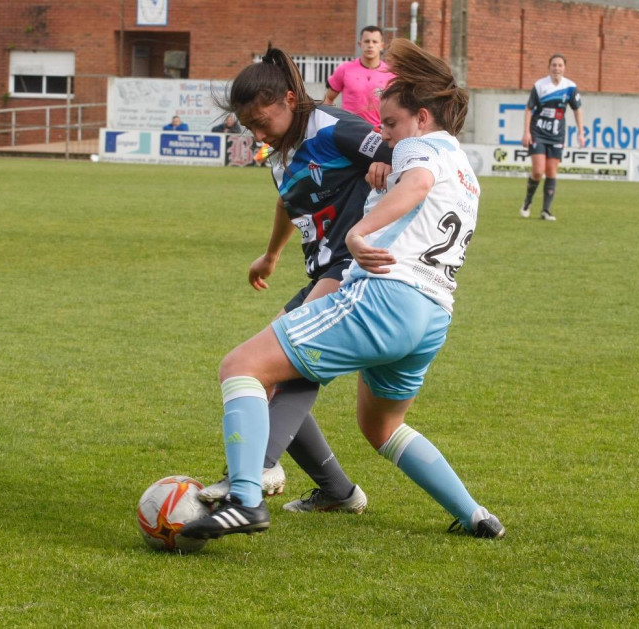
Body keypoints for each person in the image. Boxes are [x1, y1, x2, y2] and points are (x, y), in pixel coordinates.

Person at [181, 38, 505, 542]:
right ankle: (474, 514)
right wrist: (272, 253)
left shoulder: (406, 143)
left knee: (245, 367)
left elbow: (414, 179)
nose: (385, 134)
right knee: (380, 427)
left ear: (421, 117)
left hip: (377, 290)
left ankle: (249, 492)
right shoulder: (461, 166)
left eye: (392, 124)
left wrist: (359, 230)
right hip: (433, 312)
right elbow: (309, 198)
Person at [197, 47, 394, 514]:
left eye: (262, 121)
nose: (258, 133)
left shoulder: (334, 126)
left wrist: (386, 162)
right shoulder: (279, 154)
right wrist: (271, 255)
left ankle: (259, 466)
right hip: (321, 270)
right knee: (265, 374)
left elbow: (405, 154)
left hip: (353, 265)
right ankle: (339, 492)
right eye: (250, 127)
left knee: (282, 363)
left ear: (289, 97)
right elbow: (289, 202)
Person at [519, 54, 585, 221]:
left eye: (560, 65)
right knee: (538, 171)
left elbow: (577, 109)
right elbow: (529, 109)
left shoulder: (570, 87)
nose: (557, 68)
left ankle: (546, 210)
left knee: (551, 171)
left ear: (564, 68)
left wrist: (581, 132)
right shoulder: (540, 85)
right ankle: (527, 202)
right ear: (549, 67)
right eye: (554, 65)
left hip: (557, 135)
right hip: (538, 132)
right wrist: (526, 132)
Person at [324, 26, 395, 128]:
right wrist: (330, 122)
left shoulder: (390, 73)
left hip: (379, 132)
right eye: (366, 41)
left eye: (374, 42)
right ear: (360, 44)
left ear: (382, 46)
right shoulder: (344, 69)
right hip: (348, 129)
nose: (370, 45)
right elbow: (328, 98)